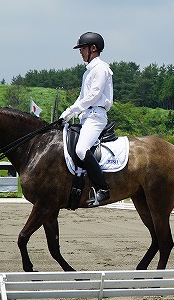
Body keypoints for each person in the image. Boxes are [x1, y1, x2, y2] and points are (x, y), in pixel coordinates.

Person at [60, 32, 113, 205]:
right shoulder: (88, 72)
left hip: (96, 116)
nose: (80, 52)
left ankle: (103, 189)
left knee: (82, 149)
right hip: (86, 116)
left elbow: (93, 95)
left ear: (93, 48)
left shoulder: (101, 68)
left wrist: (72, 110)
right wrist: (67, 114)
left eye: (82, 48)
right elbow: (82, 97)